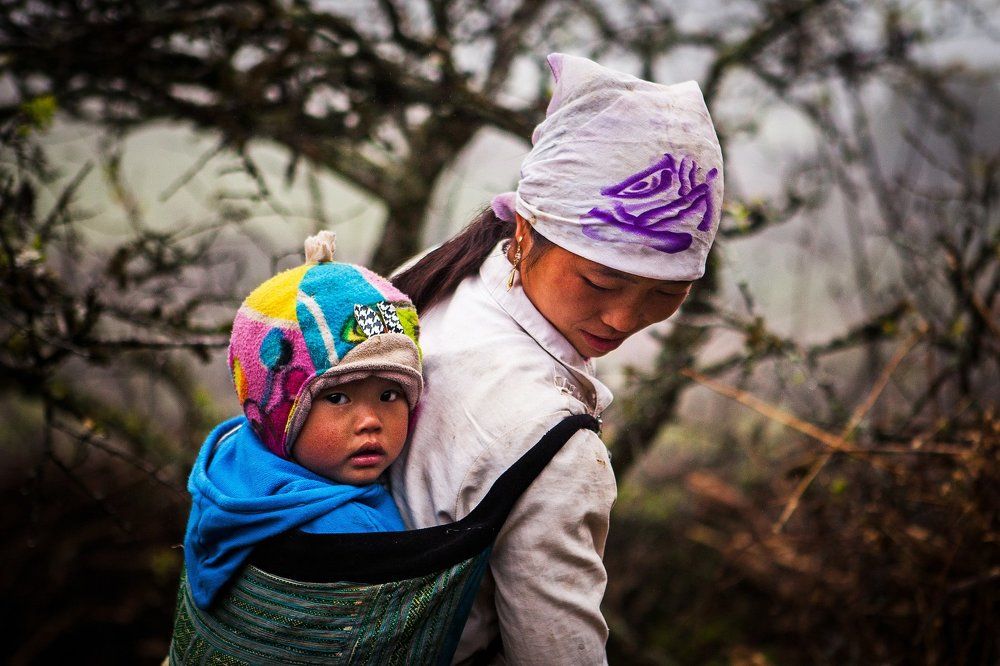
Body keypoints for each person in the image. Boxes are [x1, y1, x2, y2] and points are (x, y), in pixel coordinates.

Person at [391, 52, 724, 664]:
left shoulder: (434, 278)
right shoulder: (551, 442)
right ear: (524, 230)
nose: (625, 320)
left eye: (666, 294)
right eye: (599, 283)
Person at [176, 230, 423, 612]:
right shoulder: (350, 532)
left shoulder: (229, 457)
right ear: (279, 412)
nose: (371, 420)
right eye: (337, 397)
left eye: (390, 395)